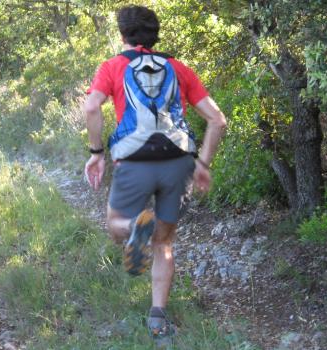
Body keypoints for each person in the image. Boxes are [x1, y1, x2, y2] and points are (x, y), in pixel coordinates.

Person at [83, 5, 226, 344]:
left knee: (116, 226)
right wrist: (203, 165)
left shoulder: (113, 67)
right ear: (155, 34)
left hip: (133, 161)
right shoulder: (178, 68)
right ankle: (158, 321)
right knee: (164, 242)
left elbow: (91, 107)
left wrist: (96, 153)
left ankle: (134, 229)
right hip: (178, 161)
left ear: (123, 36)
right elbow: (217, 120)